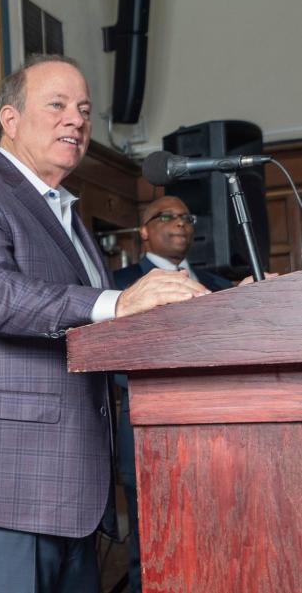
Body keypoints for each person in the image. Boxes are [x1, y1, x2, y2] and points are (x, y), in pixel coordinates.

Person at [0, 54, 210, 593]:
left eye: (84, 109)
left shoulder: (69, 217)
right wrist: (117, 302)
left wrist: (212, 309)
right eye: (57, 105)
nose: (76, 119)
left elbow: (100, 332)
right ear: (10, 119)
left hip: (72, 493)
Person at [110, 195, 234, 593]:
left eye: (186, 216)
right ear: (143, 230)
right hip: (148, 430)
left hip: (221, 433)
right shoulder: (117, 285)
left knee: (219, 541)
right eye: (166, 216)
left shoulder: (220, 285)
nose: (180, 223)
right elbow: (112, 359)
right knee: (151, 548)